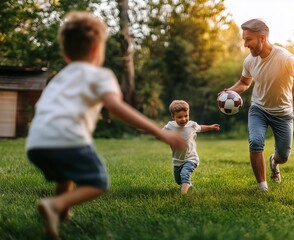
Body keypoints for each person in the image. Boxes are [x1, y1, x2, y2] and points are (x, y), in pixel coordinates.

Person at [25, 11, 185, 238]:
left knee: (66, 173)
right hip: (68, 139)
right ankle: (55, 205)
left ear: (66, 53)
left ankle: (62, 212)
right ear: (95, 50)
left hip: (36, 143)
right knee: (97, 182)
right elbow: (116, 107)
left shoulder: (59, 77)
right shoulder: (101, 75)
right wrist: (160, 133)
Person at [219, 18, 294, 191]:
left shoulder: (285, 58)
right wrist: (229, 91)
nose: (245, 44)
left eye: (248, 39)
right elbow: (244, 82)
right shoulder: (250, 61)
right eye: (244, 39)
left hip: (283, 113)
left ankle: (274, 162)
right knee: (256, 143)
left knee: (284, 155)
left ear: (262, 38)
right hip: (259, 109)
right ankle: (262, 186)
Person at [163, 100, 220, 194]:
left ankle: (183, 195)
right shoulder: (170, 126)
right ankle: (188, 185)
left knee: (184, 174)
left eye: (186, 116)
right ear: (173, 117)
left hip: (191, 158)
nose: (184, 119)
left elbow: (201, 128)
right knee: (179, 180)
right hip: (177, 160)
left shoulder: (192, 125)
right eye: (180, 117)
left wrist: (211, 127)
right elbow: (160, 133)